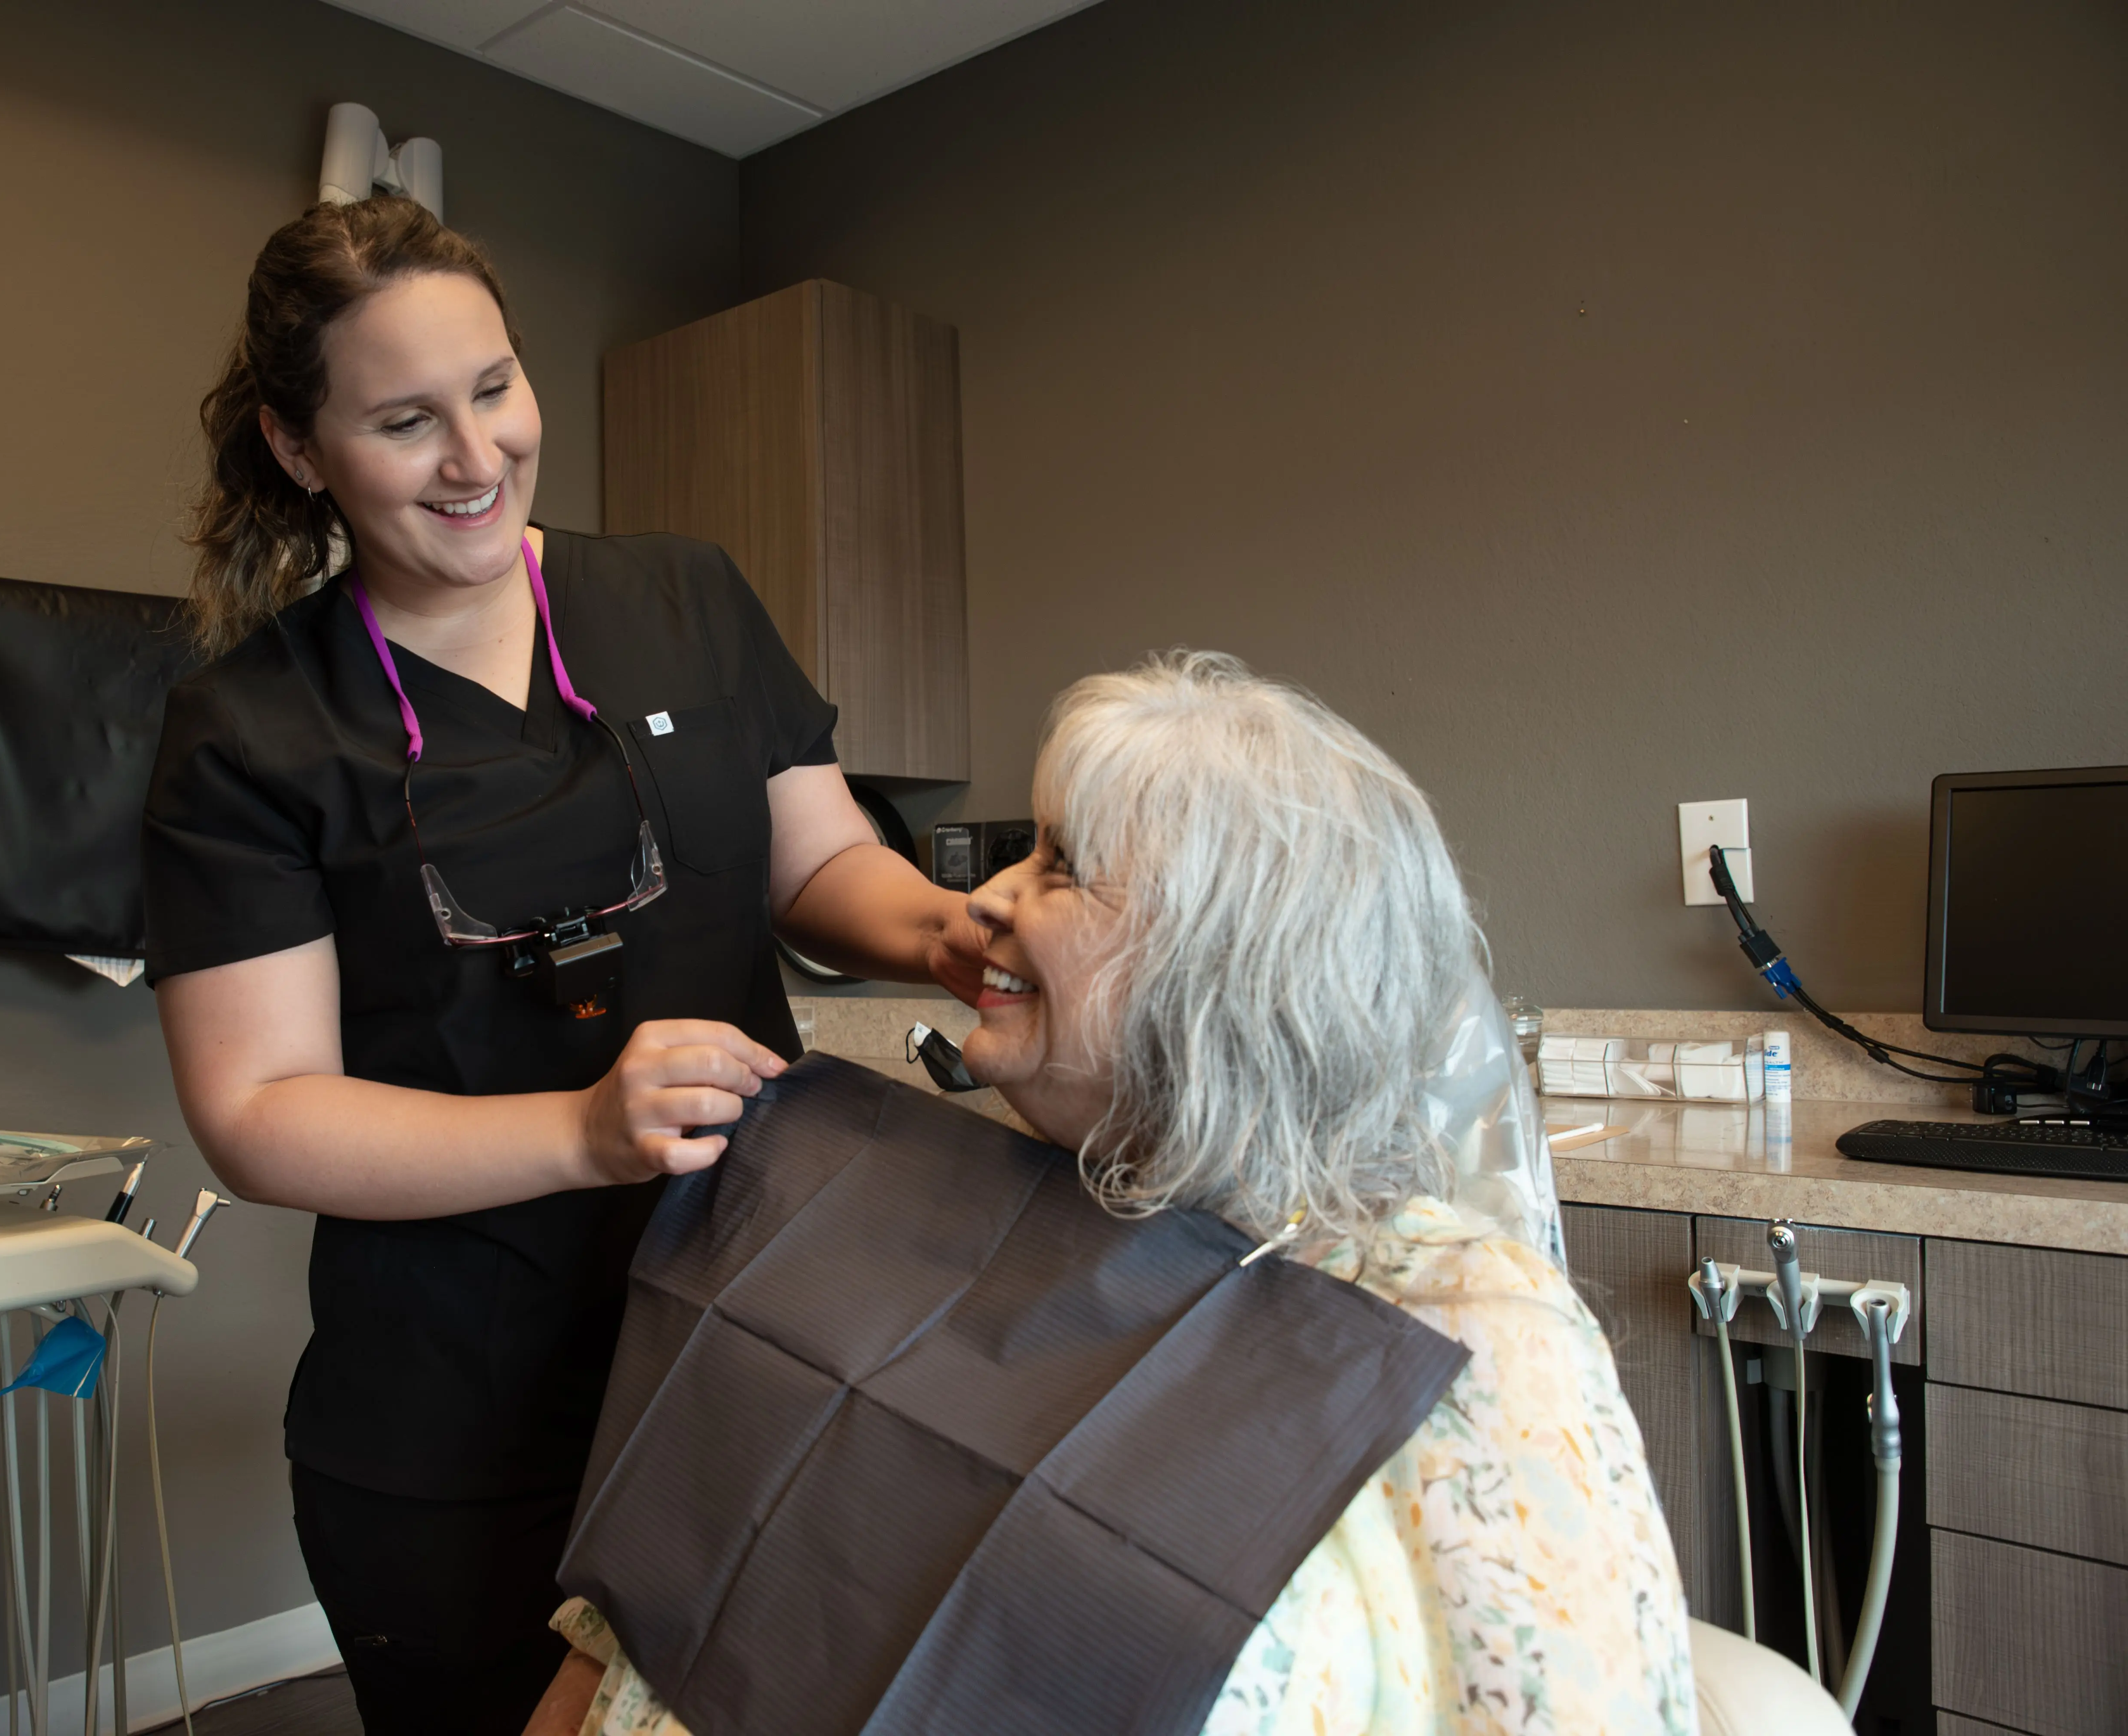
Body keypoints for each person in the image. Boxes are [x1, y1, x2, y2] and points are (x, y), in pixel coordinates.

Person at [141, 194, 985, 1736]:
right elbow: (258, 1111)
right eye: (404, 421)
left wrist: (954, 934)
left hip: (750, 1351)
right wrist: (583, 1131)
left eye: (495, 389)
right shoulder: (255, 731)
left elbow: (815, 864)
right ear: (297, 445)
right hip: (461, 1427)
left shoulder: (682, 598)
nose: (478, 460)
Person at [534, 651, 1700, 1734]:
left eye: (1059, 867)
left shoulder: (1455, 1329)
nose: (981, 899)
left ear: (1226, 964)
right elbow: (634, 1632)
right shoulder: (912, 1228)